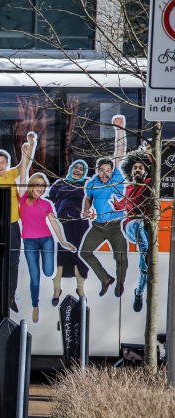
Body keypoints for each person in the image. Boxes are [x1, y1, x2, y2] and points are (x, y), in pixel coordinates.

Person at [0, 132, 37, 312]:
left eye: (2, 162)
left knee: (13, 262)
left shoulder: (11, 174)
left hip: (13, 226)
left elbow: (24, 164)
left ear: (6, 163)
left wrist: (31, 145)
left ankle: (11, 296)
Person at [17, 173, 77, 323]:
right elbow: (23, 175)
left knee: (49, 271)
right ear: (32, 185)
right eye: (37, 184)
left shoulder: (46, 204)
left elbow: (55, 223)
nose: (40, 188)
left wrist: (63, 242)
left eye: (43, 185)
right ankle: (35, 305)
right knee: (34, 276)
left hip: (46, 240)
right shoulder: (23, 199)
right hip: (29, 242)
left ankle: (52, 288)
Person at [80, 116, 128, 298]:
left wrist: (119, 129)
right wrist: (86, 209)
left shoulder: (116, 178)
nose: (105, 173)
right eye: (102, 170)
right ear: (97, 170)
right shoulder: (92, 183)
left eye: (108, 170)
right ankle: (105, 278)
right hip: (98, 226)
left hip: (115, 226)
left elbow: (120, 151)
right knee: (85, 252)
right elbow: (88, 198)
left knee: (121, 257)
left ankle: (120, 281)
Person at [114, 149, 153, 312]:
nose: (137, 170)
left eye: (140, 168)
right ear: (131, 171)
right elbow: (123, 204)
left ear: (145, 171)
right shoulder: (129, 188)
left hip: (146, 227)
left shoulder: (149, 183)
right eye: (135, 168)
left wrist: (151, 154)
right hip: (131, 225)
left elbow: (157, 170)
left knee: (145, 267)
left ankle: (139, 293)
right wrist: (116, 204)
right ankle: (146, 257)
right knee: (137, 224)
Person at [48, 160, 90, 304]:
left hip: (79, 226)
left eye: (81, 168)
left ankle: (80, 289)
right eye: (75, 167)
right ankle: (56, 290)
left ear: (84, 172)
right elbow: (49, 201)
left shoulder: (87, 184)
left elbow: (93, 198)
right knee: (59, 258)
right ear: (70, 169)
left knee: (79, 258)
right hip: (61, 226)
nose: (77, 170)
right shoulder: (60, 183)